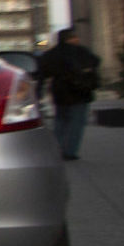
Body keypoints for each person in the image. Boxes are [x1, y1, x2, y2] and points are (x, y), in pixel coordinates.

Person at [35, 27, 101, 159]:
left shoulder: (51, 54)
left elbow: (42, 73)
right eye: (74, 37)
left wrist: (39, 92)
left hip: (60, 92)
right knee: (77, 123)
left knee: (60, 121)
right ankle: (70, 151)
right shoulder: (81, 51)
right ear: (69, 39)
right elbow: (96, 61)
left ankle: (54, 149)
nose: (77, 39)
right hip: (81, 92)